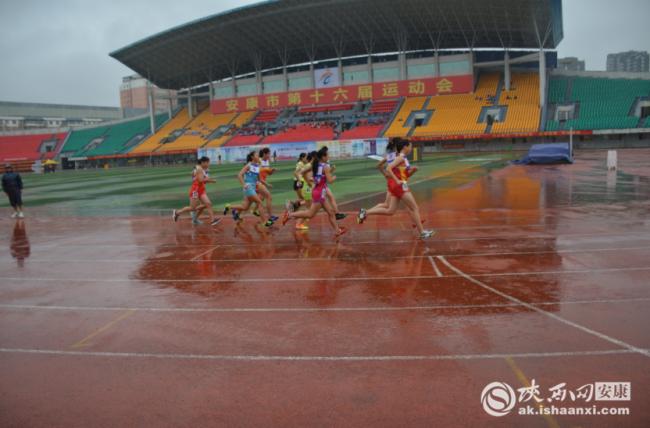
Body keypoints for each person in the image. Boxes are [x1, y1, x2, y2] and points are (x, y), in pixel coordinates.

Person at [356, 139, 435, 239]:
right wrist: (396, 180)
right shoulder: (401, 157)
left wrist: (412, 171)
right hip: (399, 186)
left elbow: (403, 175)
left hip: (394, 185)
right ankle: (422, 232)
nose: (411, 148)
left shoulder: (397, 157)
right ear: (405, 147)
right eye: (410, 146)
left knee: (390, 211)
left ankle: (365, 212)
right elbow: (389, 168)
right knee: (414, 208)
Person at [282, 146, 347, 237]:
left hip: (318, 191)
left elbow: (302, 173)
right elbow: (330, 181)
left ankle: (337, 231)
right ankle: (289, 215)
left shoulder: (315, 165)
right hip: (320, 193)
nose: (329, 156)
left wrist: (308, 180)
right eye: (327, 155)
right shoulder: (325, 166)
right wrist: (334, 177)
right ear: (323, 157)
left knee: (331, 212)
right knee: (310, 214)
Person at [225, 151, 273, 228]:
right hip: (248, 187)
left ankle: (229, 206)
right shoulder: (248, 165)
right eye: (257, 155)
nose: (258, 157)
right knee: (260, 203)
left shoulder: (257, 166)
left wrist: (266, 184)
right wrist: (244, 185)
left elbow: (259, 179)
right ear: (252, 157)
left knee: (245, 207)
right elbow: (239, 175)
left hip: (253, 187)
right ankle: (264, 222)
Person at [172, 157, 221, 226]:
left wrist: (197, 177)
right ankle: (177, 212)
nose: (208, 164)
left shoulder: (199, 168)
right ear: (203, 162)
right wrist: (211, 180)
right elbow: (201, 180)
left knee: (208, 204)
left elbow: (193, 174)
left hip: (201, 189)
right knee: (192, 208)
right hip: (195, 190)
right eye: (207, 163)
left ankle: (212, 220)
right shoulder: (199, 169)